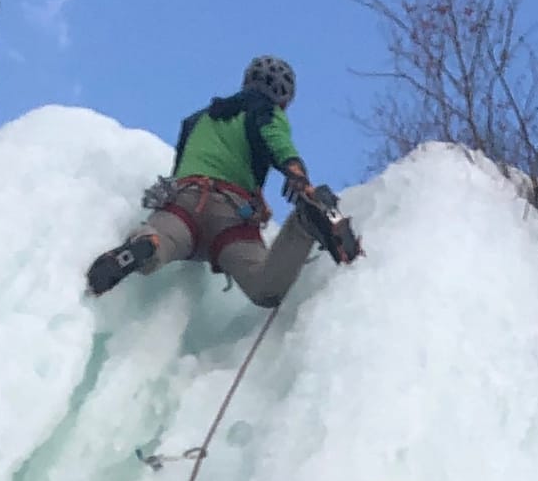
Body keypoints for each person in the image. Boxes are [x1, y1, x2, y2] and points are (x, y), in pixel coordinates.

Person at [87, 55, 352, 307]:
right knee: (264, 288)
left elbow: (180, 167)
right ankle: (305, 223)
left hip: (184, 200)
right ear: (283, 100)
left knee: (161, 240)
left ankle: (145, 247)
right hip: (232, 214)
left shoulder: (198, 119)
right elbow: (276, 141)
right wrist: (299, 178)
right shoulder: (266, 111)